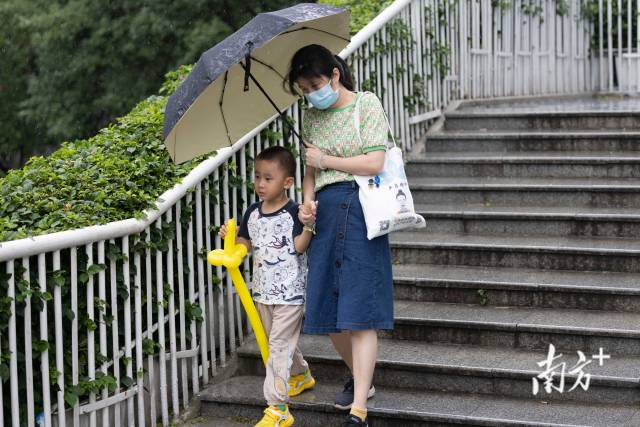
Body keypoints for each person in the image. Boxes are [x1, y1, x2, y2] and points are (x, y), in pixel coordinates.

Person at [286, 44, 394, 427]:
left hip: (362, 209)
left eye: (314, 84)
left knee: (361, 312)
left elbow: (374, 161)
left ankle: (359, 408)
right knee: (327, 311)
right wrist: (307, 207)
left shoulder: (366, 104)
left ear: (334, 75)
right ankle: (363, 380)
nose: (310, 94)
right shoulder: (311, 118)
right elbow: (310, 175)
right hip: (327, 215)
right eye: (302, 89)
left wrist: (325, 160)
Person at [219, 146, 315, 427]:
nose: (260, 183)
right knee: (279, 341)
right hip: (262, 291)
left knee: (277, 345)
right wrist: (232, 238)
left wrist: (308, 226)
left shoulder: (294, 212)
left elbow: (299, 247)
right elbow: (247, 246)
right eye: (257, 176)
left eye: (268, 178)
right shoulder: (252, 212)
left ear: (287, 182)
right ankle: (301, 375)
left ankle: (278, 408)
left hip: (290, 293)